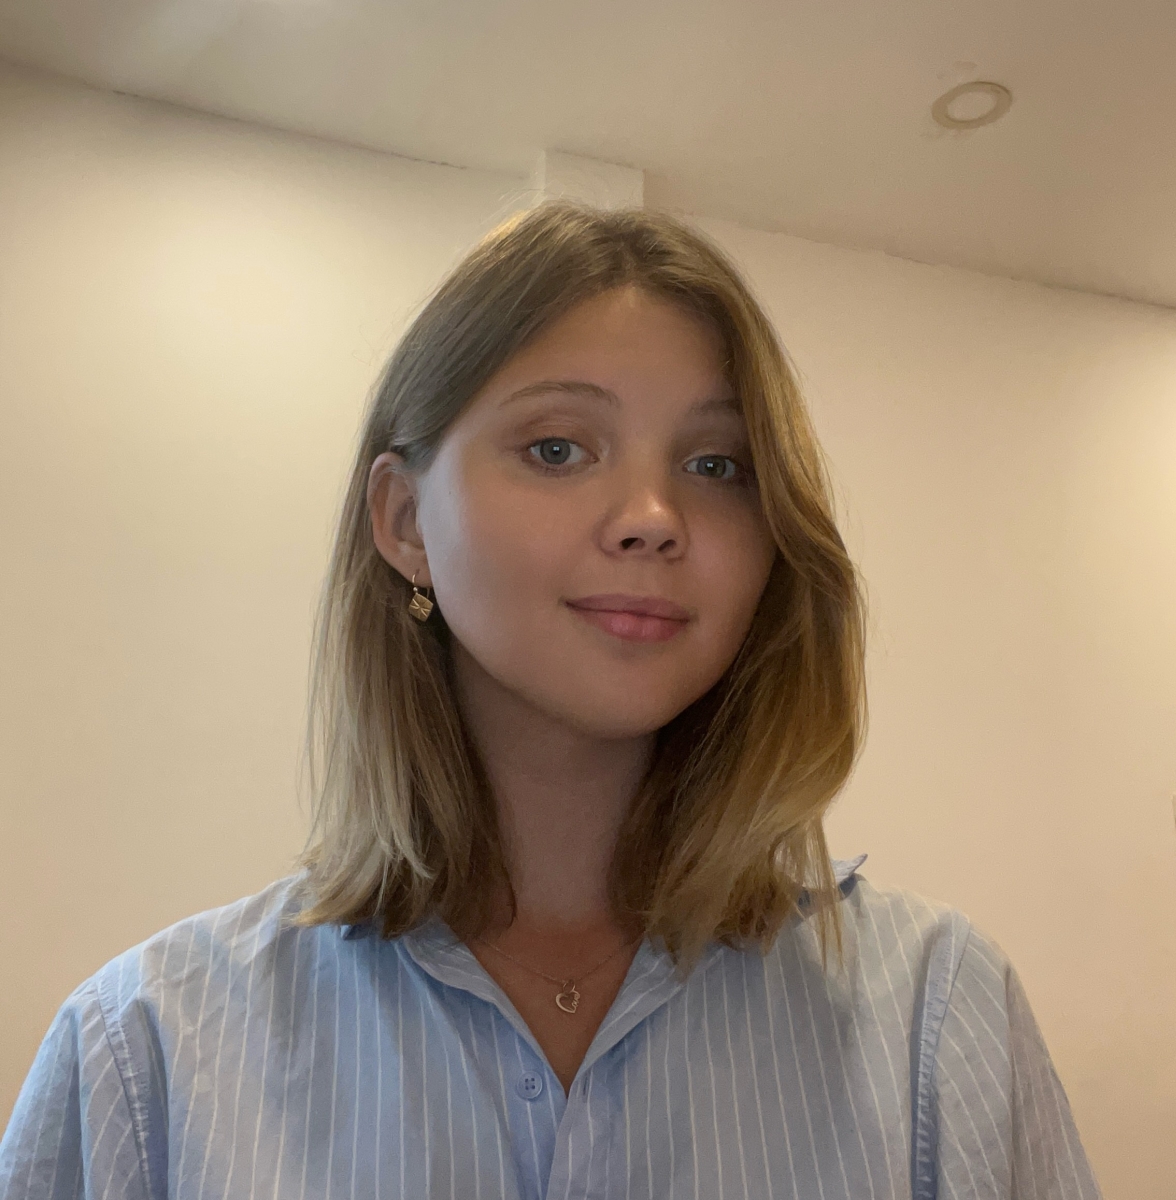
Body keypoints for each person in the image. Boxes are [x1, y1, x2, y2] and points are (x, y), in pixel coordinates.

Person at [0, 201, 1103, 1200]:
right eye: (558, 447)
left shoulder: (936, 1017)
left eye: (717, 466)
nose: (653, 518)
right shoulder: (143, 1058)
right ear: (403, 522)